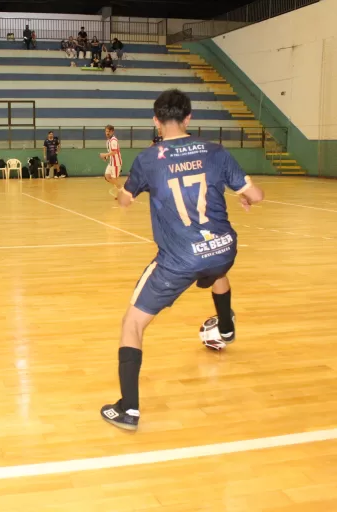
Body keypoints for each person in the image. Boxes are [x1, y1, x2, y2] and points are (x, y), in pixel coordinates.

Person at [99, 89, 264, 431]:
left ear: (156, 122)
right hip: (223, 248)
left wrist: (118, 191)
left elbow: (126, 201)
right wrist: (245, 198)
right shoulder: (215, 152)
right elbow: (256, 195)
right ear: (189, 118)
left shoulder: (148, 159)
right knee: (217, 269)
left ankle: (128, 409)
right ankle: (227, 326)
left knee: (132, 324)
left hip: (179, 259)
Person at [100, 125, 122, 193]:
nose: (107, 133)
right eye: (106, 131)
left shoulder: (113, 140)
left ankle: (123, 191)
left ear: (112, 132)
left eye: (109, 131)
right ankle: (121, 189)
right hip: (111, 163)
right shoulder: (108, 141)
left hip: (116, 163)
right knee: (107, 176)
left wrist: (104, 154)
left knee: (114, 179)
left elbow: (114, 152)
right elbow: (111, 152)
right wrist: (106, 157)